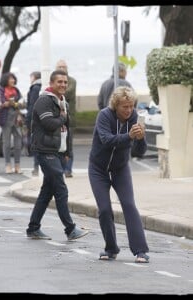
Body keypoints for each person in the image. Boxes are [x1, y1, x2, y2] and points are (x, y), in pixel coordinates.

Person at [88, 86, 150, 263]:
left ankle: (140, 250)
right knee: (105, 209)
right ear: (116, 106)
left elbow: (139, 152)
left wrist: (140, 138)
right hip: (98, 168)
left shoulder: (135, 119)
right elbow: (107, 140)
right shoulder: (104, 116)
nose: (129, 110)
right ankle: (111, 248)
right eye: (125, 106)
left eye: (131, 106)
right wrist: (129, 136)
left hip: (120, 168)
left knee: (129, 205)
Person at [26, 69, 89, 241]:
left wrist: (68, 151)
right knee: (61, 189)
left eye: (65, 82)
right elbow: (49, 124)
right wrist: (62, 117)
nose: (63, 85)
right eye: (59, 82)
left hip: (58, 152)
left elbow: (66, 130)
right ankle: (70, 229)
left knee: (47, 192)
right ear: (52, 83)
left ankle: (33, 228)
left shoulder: (63, 102)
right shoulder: (44, 100)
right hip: (45, 151)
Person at [0, 72, 25, 174]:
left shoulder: (17, 91)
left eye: (13, 79)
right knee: (7, 143)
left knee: (18, 143)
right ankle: (8, 165)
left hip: (17, 118)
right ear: (6, 80)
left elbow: (22, 104)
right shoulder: (1, 90)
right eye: (10, 79)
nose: (13, 81)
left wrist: (14, 103)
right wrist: (8, 103)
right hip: (6, 119)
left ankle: (17, 165)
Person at [55, 59, 77, 178]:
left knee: (69, 145)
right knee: (58, 144)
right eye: (59, 67)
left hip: (69, 118)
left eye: (64, 67)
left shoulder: (72, 81)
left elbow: (66, 93)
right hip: (56, 119)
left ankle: (68, 169)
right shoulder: (54, 82)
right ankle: (60, 168)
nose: (62, 69)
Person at [26, 71, 41, 176]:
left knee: (35, 144)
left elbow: (32, 106)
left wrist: (28, 120)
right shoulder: (42, 86)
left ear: (34, 77)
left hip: (35, 120)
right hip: (41, 119)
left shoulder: (35, 88)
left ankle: (37, 166)